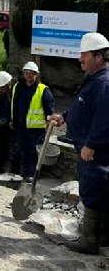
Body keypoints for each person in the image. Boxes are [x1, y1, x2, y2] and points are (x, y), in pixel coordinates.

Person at [48, 32, 109, 255]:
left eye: (84, 54)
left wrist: (91, 144)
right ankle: (101, 237)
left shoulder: (104, 83)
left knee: (93, 191)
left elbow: (105, 119)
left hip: (95, 151)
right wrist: (64, 116)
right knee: (96, 190)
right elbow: (82, 107)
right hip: (86, 146)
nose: (80, 59)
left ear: (99, 56)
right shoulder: (93, 80)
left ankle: (90, 241)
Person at [11, 61, 54, 180]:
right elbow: (14, 106)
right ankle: (22, 173)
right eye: (26, 73)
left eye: (31, 73)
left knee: (33, 152)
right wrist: (13, 121)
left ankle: (31, 175)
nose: (29, 75)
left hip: (36, 128)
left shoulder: (43, 90)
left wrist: (48, 126)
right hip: (22, 125)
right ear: (24, 74)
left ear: (36, 75)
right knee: (21, 150)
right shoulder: (18, 87)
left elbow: (49, 111)